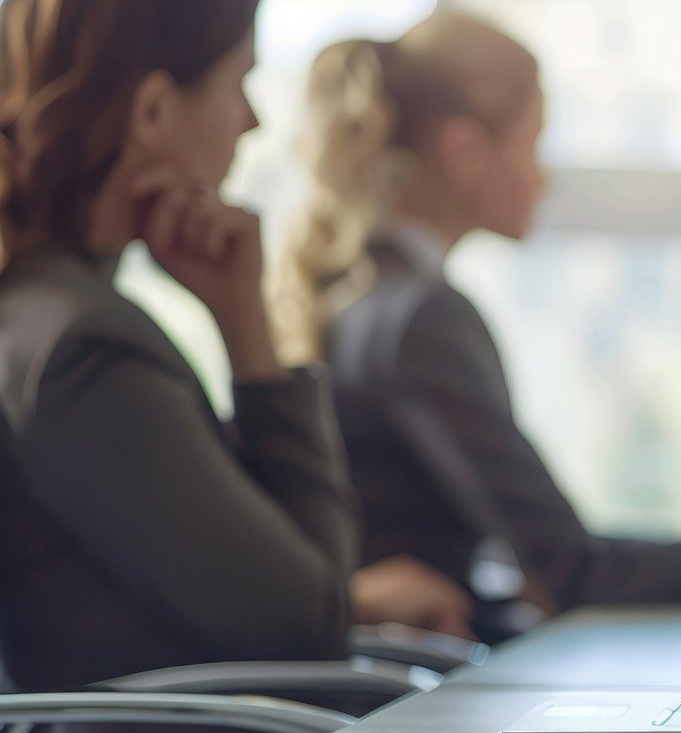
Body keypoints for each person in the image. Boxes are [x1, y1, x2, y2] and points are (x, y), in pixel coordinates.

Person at [270, 13, 681, 639]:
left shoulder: (356, 300)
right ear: (466, 153)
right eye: (533, 143)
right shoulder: (423, 316)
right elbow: (566, 567)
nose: (545, 176)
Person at [0, 0, 462, 691]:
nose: (253, 121)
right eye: (236, 83)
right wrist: (250, 333)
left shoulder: (46, 311)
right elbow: (307, 626)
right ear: (153, 111)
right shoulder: (84, 346)